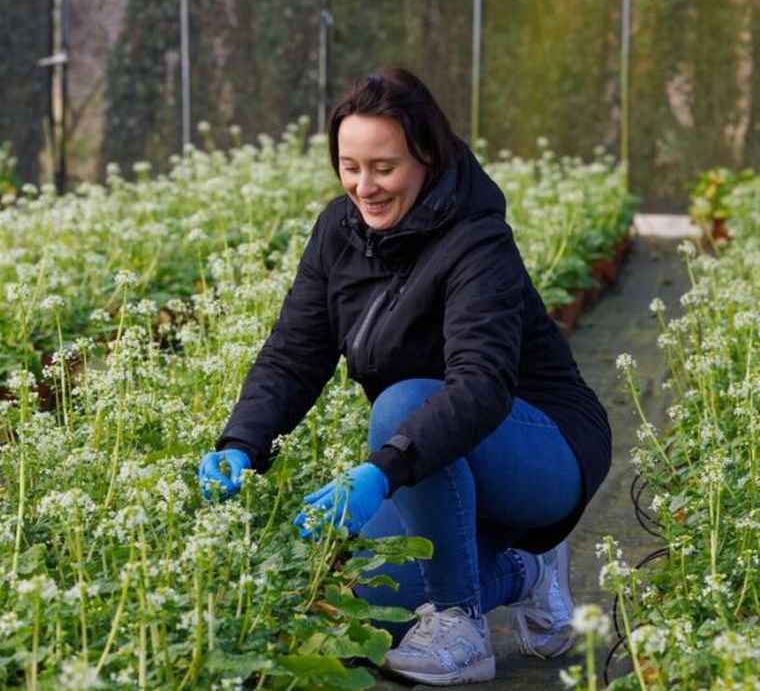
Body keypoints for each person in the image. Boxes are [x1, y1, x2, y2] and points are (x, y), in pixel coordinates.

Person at [197, 69, 610, 686]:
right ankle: (529, 570)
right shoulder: (337, 233)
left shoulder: (478, 240)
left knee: (403, 404)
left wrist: (381, 471)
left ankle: (462, 629)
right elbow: (293, 354)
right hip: (434, 458)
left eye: (384, 167)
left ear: (425, 156)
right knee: (374, 608)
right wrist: (241, 443)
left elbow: (480, 387)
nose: (365, 186)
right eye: (350, 165)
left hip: (540, 448)